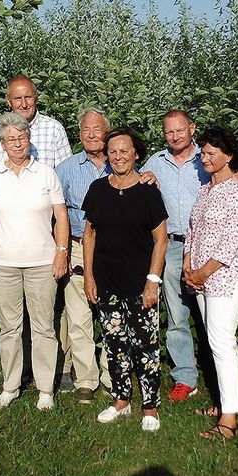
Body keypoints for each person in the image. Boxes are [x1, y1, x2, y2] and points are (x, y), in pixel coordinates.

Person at [0, 111, 69, 411]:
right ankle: (11, 385)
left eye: (22, 137)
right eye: (11, 139)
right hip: (2, 264)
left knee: (43, 327)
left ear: (30, 139)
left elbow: (61, 216)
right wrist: (5, 231)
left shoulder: (45, 174)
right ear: (2, 143)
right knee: (10, 328)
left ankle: (45, 389)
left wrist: (61, 252)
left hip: (42, 262)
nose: (18, 144)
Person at [83, 127, 168, 432]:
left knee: (146, 346)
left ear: (136, 154)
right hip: (106, 282)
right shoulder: (97, 190)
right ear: (107, 155)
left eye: (124, 151)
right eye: (113, 151)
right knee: (114, 344)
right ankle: (121, 401)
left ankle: (150, 406)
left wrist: (152, 281)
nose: (118, 156)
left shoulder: (148, 192)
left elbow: (161, 240)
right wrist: (89, 277)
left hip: (139, 283)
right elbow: (89, 235)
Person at [182, 128, 238, 440]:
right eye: (203, 153)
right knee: (217, 342)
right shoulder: (205, 190)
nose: (205, 158)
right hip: (200, 276)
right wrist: (188, 263)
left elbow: (231, 241)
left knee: (222, 341)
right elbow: (192, 230)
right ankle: (229, 402)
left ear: (230, 156)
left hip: (226, 276)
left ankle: (229, 419)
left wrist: (202, 272)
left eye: (212, 153)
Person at [140, 110, 208, 401]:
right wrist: (144, 178)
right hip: (171, 246)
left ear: (192, 128)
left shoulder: (208, 158)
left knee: (212, 315)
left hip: (207, 247)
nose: (175, 136)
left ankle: (223, 378)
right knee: (177, 314)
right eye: (169, 132)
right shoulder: (156, 161)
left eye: (180, 130)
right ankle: (185, 377)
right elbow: (134, 182)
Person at [54, 108, 113, 403]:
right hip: (77, 245)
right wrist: (61, 250)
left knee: (111, 313)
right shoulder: (66, 169)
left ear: (107, 131)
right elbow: (57, 213)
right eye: (85, 130)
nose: (91, 135)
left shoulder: (121, 163)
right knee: (78, 315)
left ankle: (111, 376)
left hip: (112, 248)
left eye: (97, 129)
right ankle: (86, 379)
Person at [0, 75, 72, 185]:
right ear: (8, 100)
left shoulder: (54, 129)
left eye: (28, 97)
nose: (24, 104)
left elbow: (66, 174)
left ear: (36, 97)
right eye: (17, 99)